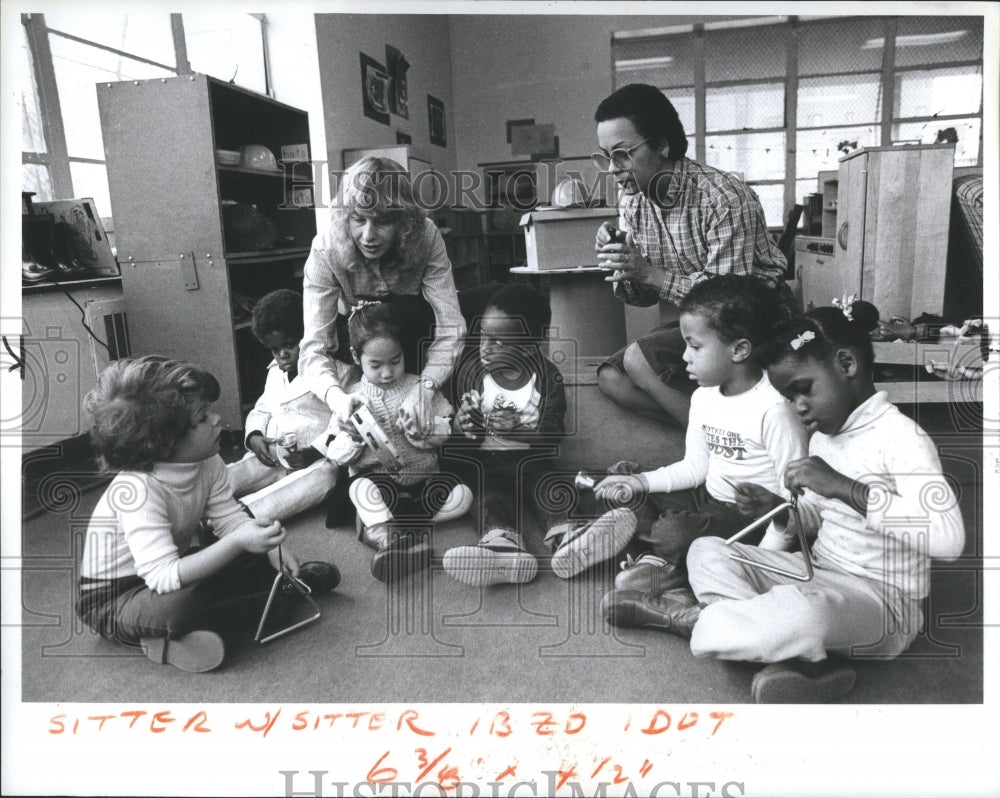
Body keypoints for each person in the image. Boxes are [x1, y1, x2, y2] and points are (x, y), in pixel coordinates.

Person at [603, 299, 965, 703]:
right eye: (788, 398)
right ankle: (794, 659)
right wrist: (778, 513)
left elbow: (949, 541)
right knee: (707, 551)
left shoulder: (902, 438)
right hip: (817, 570)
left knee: (808, 613)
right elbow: (813, 517)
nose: (798, 408)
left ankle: (681, 618)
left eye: (803, 390)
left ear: (846, 365)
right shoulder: (827, 438)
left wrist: (845, 487)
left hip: (884, 600)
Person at [76, 356, 340, 673]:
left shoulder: (207, 461)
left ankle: (254, 602)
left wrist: (269, 547)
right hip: (114, 600)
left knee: (245, 549)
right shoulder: (139, 492)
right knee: (184, 606)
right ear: (163, 442)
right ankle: (269, 599)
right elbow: (163, 577)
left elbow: (230, 520)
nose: (217, 420)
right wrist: (238, 542)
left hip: (172, 566)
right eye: (203, 417)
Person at [593, 274, 807, 595]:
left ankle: (664, 563)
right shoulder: (703, 397)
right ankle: (661, 563)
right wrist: (641, 482)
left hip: (748, 521)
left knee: (672, 532)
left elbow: (789, 506)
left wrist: (758, 564)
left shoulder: (774, 409)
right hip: (708, 499)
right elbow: (695, 468)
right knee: (621, 484)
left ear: (739, 350)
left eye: (694, 346)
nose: (684, 357)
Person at [592, 83, 789, 428]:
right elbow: (639, 298)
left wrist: (650, 273)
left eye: (622, 154)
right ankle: (718, 431)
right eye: (605, 156)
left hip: (760, 317)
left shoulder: (723, 196)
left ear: (663, 145)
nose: (612, 169)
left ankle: (718, 442)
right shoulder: (632, 202)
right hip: (697, 322)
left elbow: (731, 303)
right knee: (612, 377)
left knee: (639, 360)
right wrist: (625, 264)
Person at [441, 284, 635, 586]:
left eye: (498, 341)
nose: (485, 347)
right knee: (489, 499)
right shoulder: (474, 375)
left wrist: (520, 430)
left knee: (552, 489)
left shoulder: (546, 376)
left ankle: (569, 538)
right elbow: (463, 431)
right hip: (489, 465)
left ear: (527, 347)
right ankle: (501, 547)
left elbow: (554, 433)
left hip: (533, 461)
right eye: (483, 337)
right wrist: (463, 426)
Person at [299, 156, 466, 435]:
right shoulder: (325, 248)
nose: (368, 235)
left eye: (383, 222)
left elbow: (450, 324)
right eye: (358, 220)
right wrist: (337, 398)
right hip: (355, 334)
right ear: (345, 216)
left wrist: (425, 389)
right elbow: (314, 346)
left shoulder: (426, 236)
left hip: (411, 329)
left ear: (405, 221)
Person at [325, 301, 472, 582]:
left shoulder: (419, 387)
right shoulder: (349, 397)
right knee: (360, 487)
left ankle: (391, 528)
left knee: (462, 495)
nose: (387, 373)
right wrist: (353, 436)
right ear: (356, 356)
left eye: (395, 361)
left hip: (424, 483)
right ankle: (387, 540)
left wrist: (427, 432)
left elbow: (447, 426)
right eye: (376, 365)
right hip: (382, 485)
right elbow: (336, 455)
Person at [226, 289, 339, 522]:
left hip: (314, 459)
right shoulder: (274, 372)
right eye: (275, 349)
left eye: (289, 345)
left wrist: (316, 451)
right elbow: (262, 408)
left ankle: (243, 517)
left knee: (324, 476)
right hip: (275, 454)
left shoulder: (334, 372)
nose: (282, 355)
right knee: (239, 472)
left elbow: (343, 420)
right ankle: (197, 498)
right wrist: (255, 437)